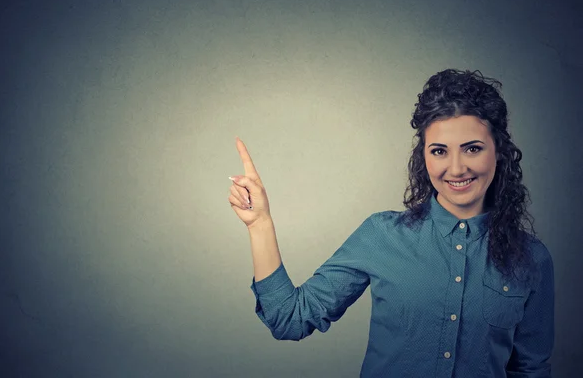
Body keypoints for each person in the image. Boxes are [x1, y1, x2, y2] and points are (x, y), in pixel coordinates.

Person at [227, 69, 554, 378]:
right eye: (439, 151)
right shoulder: (381, 235)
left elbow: (530, 370)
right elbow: (290, 319)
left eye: (472, 149)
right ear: (423, 157)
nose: (456, 169)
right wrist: (260, 224)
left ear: (498, 151)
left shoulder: (533, 259)